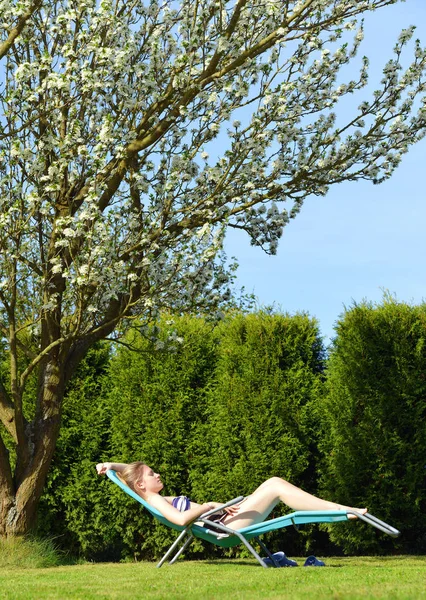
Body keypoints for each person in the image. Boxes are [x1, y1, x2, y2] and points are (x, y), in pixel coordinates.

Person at [96, 461, 367, 530]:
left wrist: (112, 466)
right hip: (225, 528)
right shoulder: (154, 499)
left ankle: (339, 509)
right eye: (151, 473)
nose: (157, 475)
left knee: (272, 484)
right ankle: (340, 509)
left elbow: (131, 477)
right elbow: (181, 521)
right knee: (273, 485)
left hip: (224, 518)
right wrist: (208, 506)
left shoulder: (151, 496)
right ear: (142, 485)